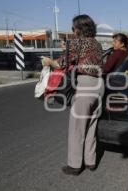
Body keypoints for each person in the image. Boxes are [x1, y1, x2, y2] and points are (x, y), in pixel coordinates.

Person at [41, 14, 104, 176]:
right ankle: (91, 161)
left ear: (78, 29)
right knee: (91, 125)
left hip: (85, 84)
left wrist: (48, 62)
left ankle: (75, 165)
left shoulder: (77, 42)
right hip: (99, 85)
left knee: (77, 127)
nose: (72, 31)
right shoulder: (97, 44)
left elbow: (62, 63)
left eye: (72, 28)